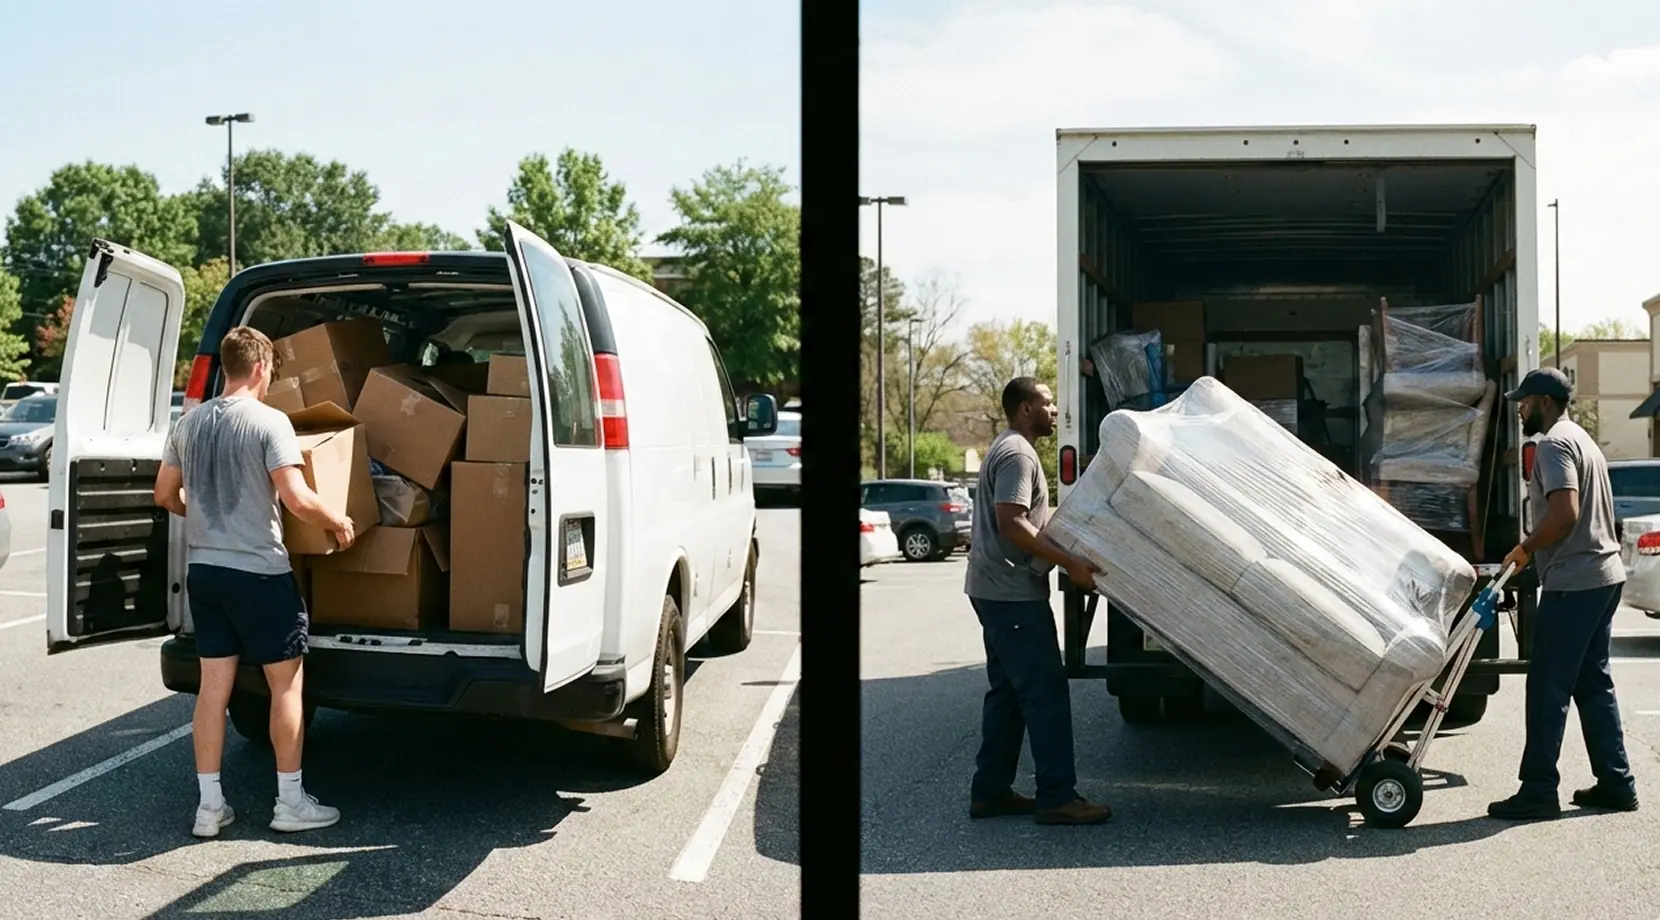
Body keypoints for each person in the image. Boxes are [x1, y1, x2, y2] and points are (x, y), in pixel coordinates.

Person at [154, 326, 358, 838]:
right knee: (285, 687)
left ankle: (209, 807)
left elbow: (163, 494)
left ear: (226, 365)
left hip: (205, 572)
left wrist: (201, 516)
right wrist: (337, 519)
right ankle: (290, 802)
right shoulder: (271, 422)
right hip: (260, 574)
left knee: (212, 691)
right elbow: (295, 497)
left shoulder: (189, 424)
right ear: (262, 367)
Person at [1488, 366, 1638, 820]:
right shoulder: (1584, 440)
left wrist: (1526, 547)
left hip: (1575, 582)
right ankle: (1616, 783)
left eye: (1525, 402)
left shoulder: (1552, 444)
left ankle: (1538, 791)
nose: (1520, 409)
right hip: (1604, 576)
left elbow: (1566, 512)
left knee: (1548, 685)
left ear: (1545, 403)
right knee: (1593, 682)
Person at [964, 376, 1112, 826]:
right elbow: (1012, 523)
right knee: (1045, 692)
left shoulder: (1011, 448)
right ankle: (1057, 796)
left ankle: (990, 792)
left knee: (1008, 693)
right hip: (1011, 596)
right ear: (1024, 409)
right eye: (1046, 403)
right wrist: (1070, 562)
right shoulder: (1017, 454)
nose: (1053, 410)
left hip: (994, 590)